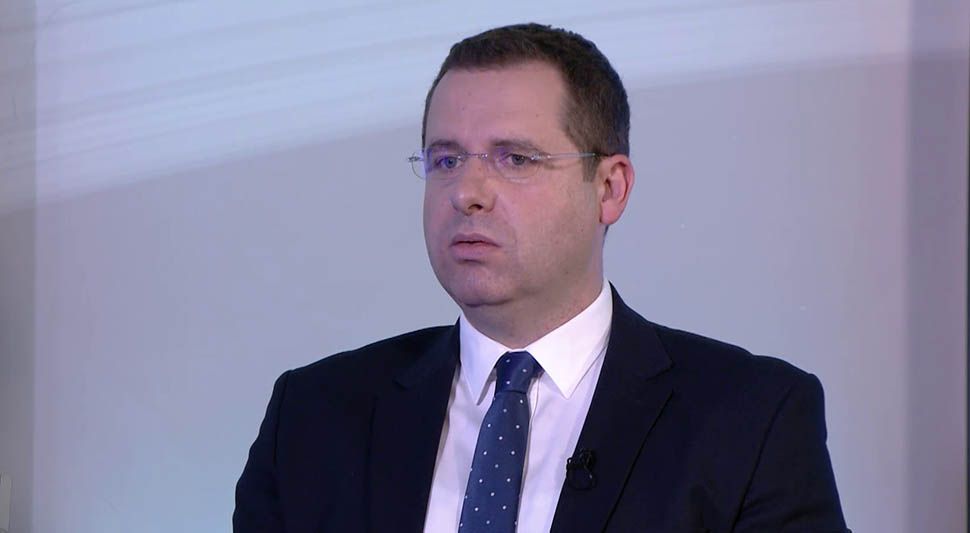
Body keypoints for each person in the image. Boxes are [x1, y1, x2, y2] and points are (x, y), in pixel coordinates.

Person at [233, 23, 849, 533]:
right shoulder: (313, 416)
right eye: (446, 159)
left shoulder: (752, 420)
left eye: (516, 158)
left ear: (609, 188)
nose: (467, 192)